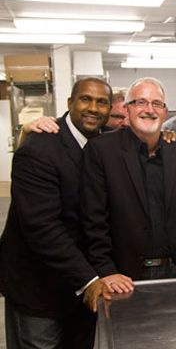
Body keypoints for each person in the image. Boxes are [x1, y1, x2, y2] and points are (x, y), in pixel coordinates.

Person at [0, 77, 123, 348]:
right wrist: (89, 279)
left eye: (102, 102)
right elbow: (41, 227)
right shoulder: (38, 149)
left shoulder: (106, 145)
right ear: (70, 103)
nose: (93, 108)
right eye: (85, 99)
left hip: (81, 290)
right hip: (38, 288)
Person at [82, 77, 176, 284]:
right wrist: (106, 271)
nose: (149, 110)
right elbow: (93, 219)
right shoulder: (102, 151)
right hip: (123, 278)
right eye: (140, 102)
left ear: (165, 112)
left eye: (156, 104)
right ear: (127, 109)